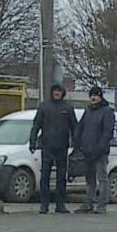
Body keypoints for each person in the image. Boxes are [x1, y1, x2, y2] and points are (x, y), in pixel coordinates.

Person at [29, 83, 77, 214]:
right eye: (54, 90)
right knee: (45, 176)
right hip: (47, 146)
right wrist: (32, 141)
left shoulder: (68, 107)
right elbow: (36, 125)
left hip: (62, 147)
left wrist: (77, 144)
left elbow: (74, 127)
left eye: (59, 90)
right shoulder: (44, 106)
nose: (56, 93)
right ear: (51, 92)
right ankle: (44, 205)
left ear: (63, 92)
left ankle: (60, 205)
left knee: (61, 177)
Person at [73, 86, 115, 215]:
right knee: (89, 180)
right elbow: (80, 127)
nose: (93, 97)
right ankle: (88, 204)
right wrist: (77, 142)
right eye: (91, 95)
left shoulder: (107, 111)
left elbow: (107, 133)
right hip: (87, 151)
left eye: (96, 95)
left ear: (101, 96)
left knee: (102, 179)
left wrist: (100, 149)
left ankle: (102, 205)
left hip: (99, 153)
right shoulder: (88, 111)